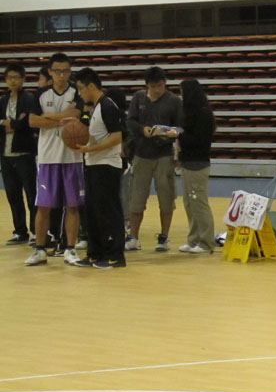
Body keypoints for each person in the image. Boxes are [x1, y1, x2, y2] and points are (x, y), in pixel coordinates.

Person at [25, 53, 84, 267]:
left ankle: (70, 248)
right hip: (47, 157)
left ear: (70, 71)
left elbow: (76, 115)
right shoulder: (40, 94)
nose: (61, 75)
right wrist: (62, 118)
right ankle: (40, 249)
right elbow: (32, 121)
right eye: (57, 71)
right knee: (43, 206)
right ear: (50, 72)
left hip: (72, 157)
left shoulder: (76, 91)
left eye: (65, 71)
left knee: (72, 205)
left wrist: (47, 117)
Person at [71, 68, 125, 270]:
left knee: (108, 212)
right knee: (92, 212)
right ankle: (95, 253)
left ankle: (115, 256)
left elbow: (117, 137)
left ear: (91, 86)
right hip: (93, 164)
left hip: (107, 166)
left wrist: (89, 149)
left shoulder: (108, 106)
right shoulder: (95, 107)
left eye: (81, 88)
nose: (79, 93)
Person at [125, 67, 182, 252]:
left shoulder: (174, 101)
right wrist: (143, 130)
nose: (157, 89)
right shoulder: (138, 98)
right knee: (137, 197)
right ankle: (133, 236)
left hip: (164, 155)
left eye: (160, 85)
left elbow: (181, 126)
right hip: (141, 154)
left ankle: (164, 237)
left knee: (166, 198)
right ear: (146, 85)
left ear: (165, 83)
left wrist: (172, 133)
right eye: (153, 86)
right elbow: (130, 122)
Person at [177, 79, 216, 254]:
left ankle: (206, 242)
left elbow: (199, 140)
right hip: (187, 163)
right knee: (189, 203)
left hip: (198, 164)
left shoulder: (204, 114)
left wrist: (178, 135)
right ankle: (193, 239)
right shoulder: (188, 113)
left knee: (199, 203)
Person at [2, 64, 38, 246]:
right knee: (12, 194)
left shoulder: (29, 99)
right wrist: (7, 123)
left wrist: (12, 124)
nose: (13, 81)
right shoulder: (3, 100)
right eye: (10, 77)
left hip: (25, 153)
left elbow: (29, 122)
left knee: (31, 194)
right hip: (6, 154)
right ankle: (19, 231)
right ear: (5, 80)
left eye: (17, 77)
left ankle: (36, 231)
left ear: (23, 79)